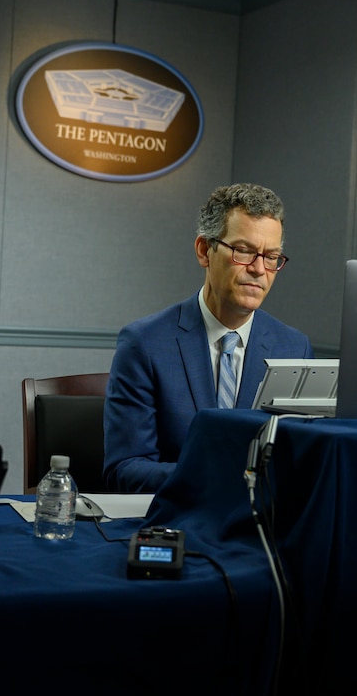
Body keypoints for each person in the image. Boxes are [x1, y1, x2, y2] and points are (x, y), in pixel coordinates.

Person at [102, 183, 314, 493]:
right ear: (204, 251)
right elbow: (125, 470)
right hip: (178, 522)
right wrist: (221, 478)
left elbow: (302, 459)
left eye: (271, 257)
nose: (259, 269)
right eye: (243, 251)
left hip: (260, 530)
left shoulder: (293, 348)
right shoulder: (145, 344)